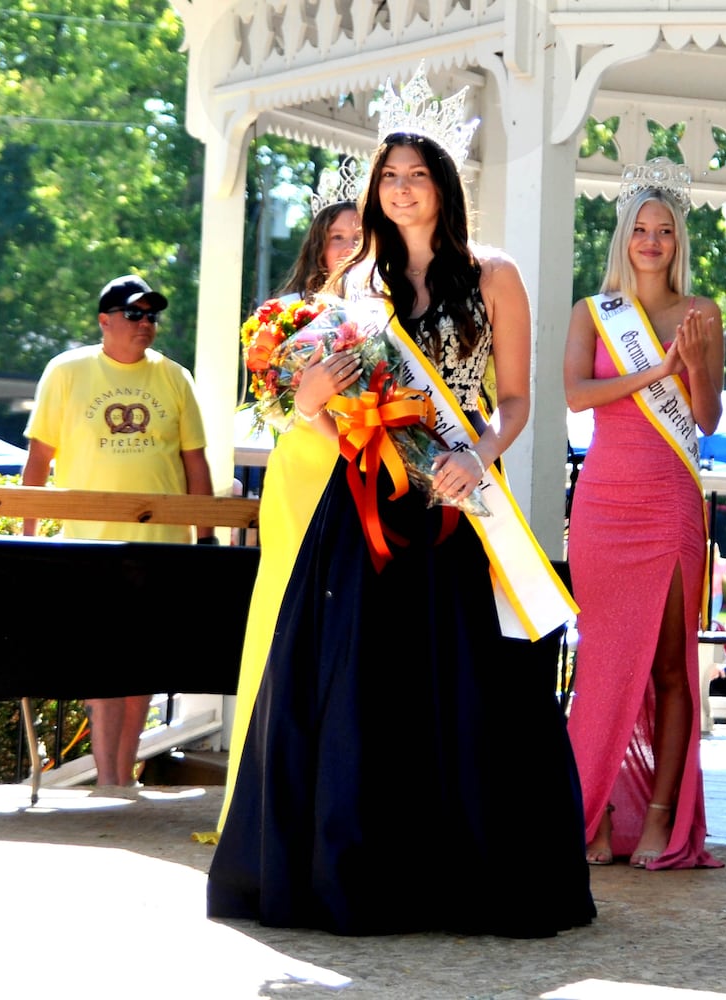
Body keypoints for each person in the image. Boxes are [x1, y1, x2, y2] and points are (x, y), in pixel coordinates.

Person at [209, 67, 595, 937]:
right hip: (366, 505)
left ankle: (460, 875)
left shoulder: (492, 274)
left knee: (466, 692)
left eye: (418, 175)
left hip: (453, 505)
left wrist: (478, 453)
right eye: (389, 176)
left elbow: (520, 401)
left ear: (445, 187)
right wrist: (307, 393)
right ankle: (347, 871)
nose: (403, 189)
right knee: (353, 688)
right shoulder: (354, 285)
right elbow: (311, 402)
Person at [561, 165, 724, 871]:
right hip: (604, 500)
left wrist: (690, 368)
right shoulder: (591, 312)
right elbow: (576, 395)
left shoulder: (701, 314)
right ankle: (589, 813)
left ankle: (660, 815)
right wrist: (658, 373)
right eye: (641, 229)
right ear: (623, 237)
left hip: (669, 501)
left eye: (664, 231)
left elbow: (709, 418)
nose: (651, 241)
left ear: (676, 241)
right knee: (601, 658)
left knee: (667, 667)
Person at [22, 272, 214, 792]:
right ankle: (108, 778)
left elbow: (194, 463)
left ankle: (121, 778)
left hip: (162, 548)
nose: (145, 324)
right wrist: (27, 535)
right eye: (134, 314)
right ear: (104, 321)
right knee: (103, 665)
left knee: (143, 668)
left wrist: (207, 537)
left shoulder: (176, 377)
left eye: (152, 315)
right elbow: (39, 459)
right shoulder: (66, 371)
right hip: (89, 546)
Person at [219, 180, 362, 831]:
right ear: (318, 246)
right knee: (281, 618)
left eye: (363, 237)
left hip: (363, 469)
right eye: (339, 236)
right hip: (302, 473)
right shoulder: (286, 317)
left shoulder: (388, 314)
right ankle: (254, 800)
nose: (352, 247)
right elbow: (274, 407)